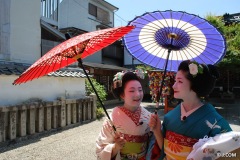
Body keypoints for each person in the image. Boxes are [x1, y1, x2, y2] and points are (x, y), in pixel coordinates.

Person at [149, 60, 232, 160]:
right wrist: (157, 130)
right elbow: (164, 150)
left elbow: (230, 154)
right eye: (175, 81)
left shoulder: (216, 123)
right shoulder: (169, 117)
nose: (174, 86)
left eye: (179, 81)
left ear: (195, 84)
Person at [96, 70, 159, 160]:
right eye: (132, 91)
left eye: (140, 90)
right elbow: (101, 149)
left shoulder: (148, 116)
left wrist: (156, 130)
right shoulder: (112, 119)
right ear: (122, 95)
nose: (138, 94)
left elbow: (153, 144)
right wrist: (116, 147)